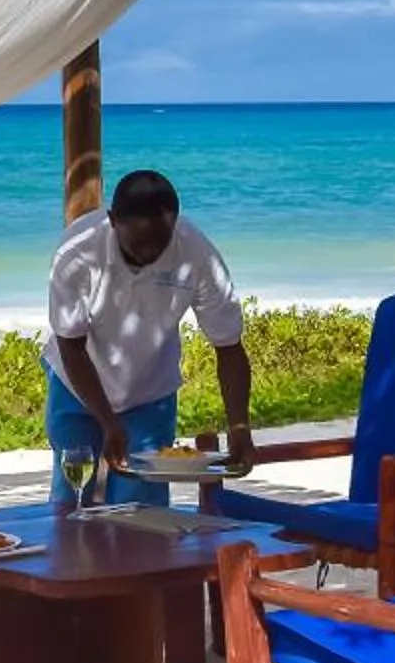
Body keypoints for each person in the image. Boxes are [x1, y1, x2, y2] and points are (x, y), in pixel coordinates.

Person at [44, 169, 254, 507]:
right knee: (74, 498)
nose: (152, 252)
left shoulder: (197, 253)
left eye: (162, 241)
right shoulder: (78, 250)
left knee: (140, 509)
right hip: (76, 386)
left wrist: (240, 426)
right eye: (140, 243)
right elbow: (71, 345)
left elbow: (229, 347)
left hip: (149, 392)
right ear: (113, 220)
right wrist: (108, 422)